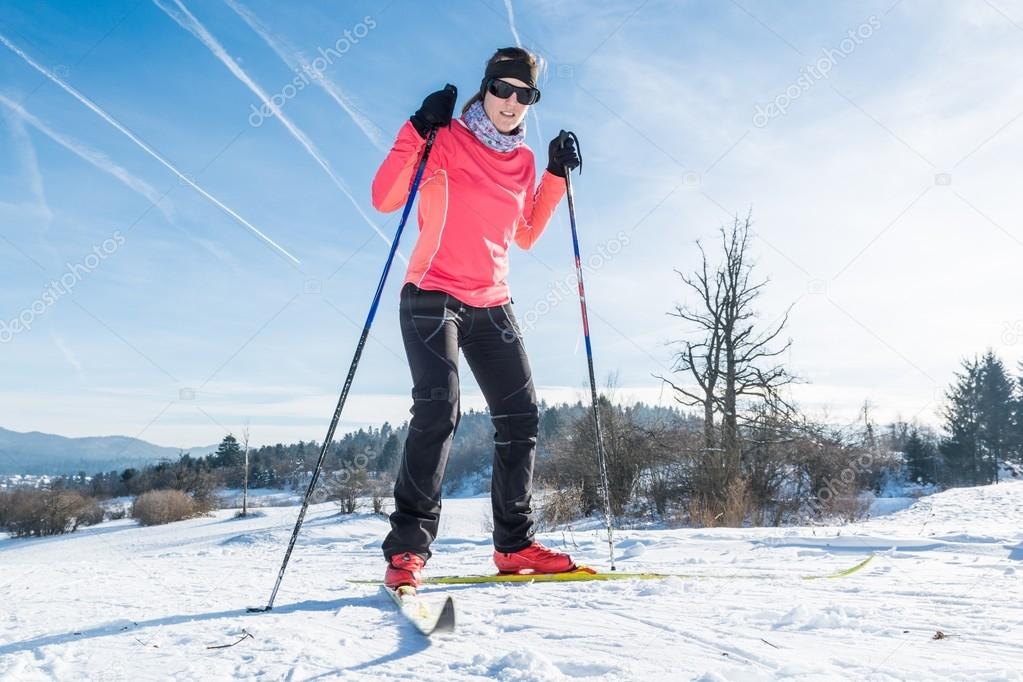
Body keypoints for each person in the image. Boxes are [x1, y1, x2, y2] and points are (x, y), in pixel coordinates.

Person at [370, 47, 581, 590]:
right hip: (431, 293)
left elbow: (526, 233)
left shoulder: (525, 161)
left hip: (492, 299)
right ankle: (407, 552)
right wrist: (417, 127)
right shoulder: (443, 138)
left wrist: (555, 175)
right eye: (503, 89)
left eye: (525, 94)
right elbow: (385, 197)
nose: (512, 102)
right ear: (485, 88)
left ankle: (513, 545)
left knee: (522, 416)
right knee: (440, 408)